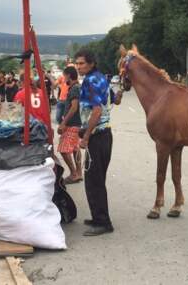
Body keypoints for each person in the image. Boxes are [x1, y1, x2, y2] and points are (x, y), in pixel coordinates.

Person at [74, 49, 114, 236]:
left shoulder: (90, 81)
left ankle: (103, 222)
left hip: (97, 137)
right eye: (77, 63)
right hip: (105, 136)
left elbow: (96, 111)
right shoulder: (100, 78)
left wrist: (86, 136)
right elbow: (115, 99)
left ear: (91, 63)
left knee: (93, 180)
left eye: (82, 63)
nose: (78, 66)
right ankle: (98, 217)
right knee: (97, 178)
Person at [58, 66, 83, 184]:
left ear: (68, 75)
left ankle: (74, 173)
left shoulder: (74, 88)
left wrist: (63, 123)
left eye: (64, 76)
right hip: (77, 123)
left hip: (72, 123)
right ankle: (79, 173)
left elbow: (74, 107)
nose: (63, 79)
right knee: (75, 148)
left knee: (63, 149)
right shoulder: (77, 87)